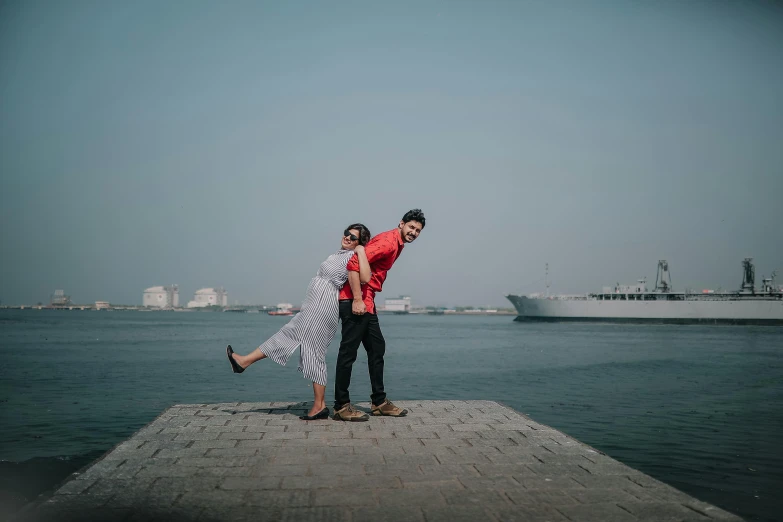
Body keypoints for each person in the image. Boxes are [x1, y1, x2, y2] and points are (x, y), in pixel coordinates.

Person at [226, 224, 371, 420]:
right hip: (315, 303)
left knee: (313, 350)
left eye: (353, 238)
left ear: (359, 243)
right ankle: (244, 361)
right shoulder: (338, 254)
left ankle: (319, 405)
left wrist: (361, 250)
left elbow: (364, 278)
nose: (347, 238)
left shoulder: (353, 255)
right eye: (347, 233)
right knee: (289, 335)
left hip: (323, 305)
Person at [332, 209, 426, 421]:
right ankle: (341, 405)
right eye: (411, 227)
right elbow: (353, 264)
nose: (413, 232)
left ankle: (379, 402)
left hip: (367, 302)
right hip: (356, 301)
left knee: (377, 349)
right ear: (401, 224)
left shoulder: (396, 243)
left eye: (417, 230)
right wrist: (357, 299)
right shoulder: (388, 242)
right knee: (348, 353)